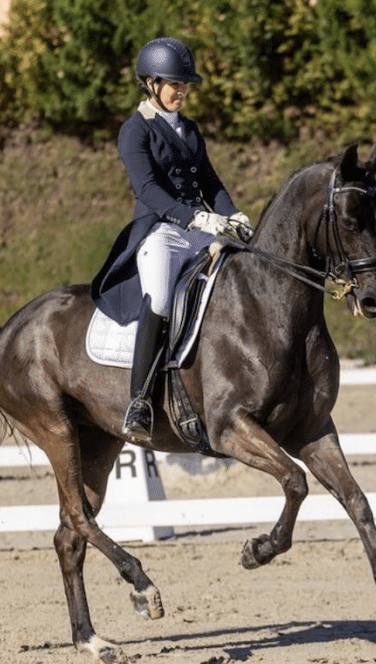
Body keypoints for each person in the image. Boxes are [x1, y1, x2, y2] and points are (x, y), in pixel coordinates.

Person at [90, 37, 251, 443]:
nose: (181, 91)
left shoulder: (191, 130)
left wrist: (231, 215)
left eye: (185, 85)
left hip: (198, 230)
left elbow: (210, 182)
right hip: (160, 232)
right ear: (150, 83)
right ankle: (140, 401)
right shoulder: (135, 131)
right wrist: (194, 216)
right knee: (160, 299)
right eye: (173, 84)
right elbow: (147, 189)